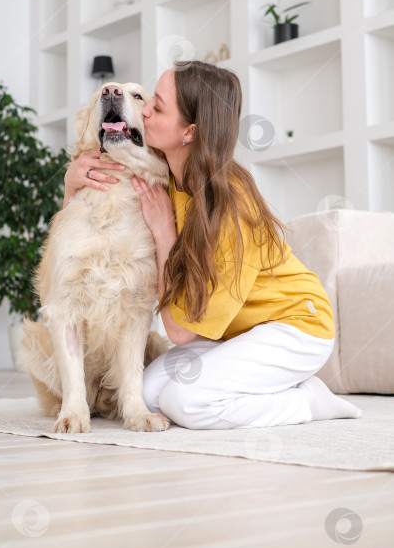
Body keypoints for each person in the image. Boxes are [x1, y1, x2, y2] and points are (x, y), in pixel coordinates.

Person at [63, 60, 362, 430]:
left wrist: (162, 231)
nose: (143, 110)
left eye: (156, 106)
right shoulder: (168, 176)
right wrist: (72, 182)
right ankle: (264, 382)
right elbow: (77, 231)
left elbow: (179, 331)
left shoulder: (233, 207)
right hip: (235, 332)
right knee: (151, 393)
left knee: (185, 403)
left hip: (295, 326)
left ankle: (307, 401)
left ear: (188, 131)